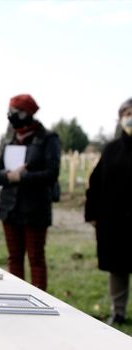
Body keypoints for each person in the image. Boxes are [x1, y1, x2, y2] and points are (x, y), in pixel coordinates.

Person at [0, 94, 60, 291]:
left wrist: (23, 178)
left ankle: (39, 298)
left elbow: (52, 173)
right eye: (10, 111)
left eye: (16, 112)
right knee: (14, 257)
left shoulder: (47, 139)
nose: (11, 116)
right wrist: (8, 176)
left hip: (35, 208)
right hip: (10, 208)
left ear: (28, 113)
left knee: (36, 258)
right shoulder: (9, 140)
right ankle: (17, 296)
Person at [85, 97, 132, 325]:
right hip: (115, 222)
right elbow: (95, 183)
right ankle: (119, 312)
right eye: (127, 113)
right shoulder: (112, 149)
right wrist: (92, 213)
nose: (130, 118)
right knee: (118, 269)